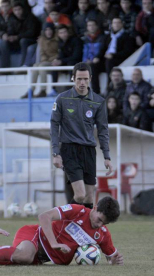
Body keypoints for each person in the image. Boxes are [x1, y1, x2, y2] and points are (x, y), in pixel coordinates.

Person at [50, 62, 113, 209]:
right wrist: (55, 152)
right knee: (80, 195)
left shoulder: (98, 101)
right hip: (69, 150)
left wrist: (107, 157)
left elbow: (103, 130)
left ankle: (83, 231)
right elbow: (54, 125)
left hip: (89, 151)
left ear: (90, 78)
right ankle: (62, 224)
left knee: (89, 198)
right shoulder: (62, 99)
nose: (82, 83)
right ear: (73, 78)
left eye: (85, 79)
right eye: (79, 79)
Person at [3, 2, 42, 67]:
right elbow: (10, 30)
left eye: (19, 9)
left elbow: (31, 33)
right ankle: (4, 67)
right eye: (15, 10)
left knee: (23, 41)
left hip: (32, 39)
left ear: (23, 9)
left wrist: (17, 37)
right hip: (18, 39)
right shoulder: (12, 18)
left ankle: (23, 64)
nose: (17, 12)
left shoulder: (30, 18)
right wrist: (7, 35)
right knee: (2, 42)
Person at [29, 22, 59, 98]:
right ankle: (31, 90)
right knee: (35, 66)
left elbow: (59, 53)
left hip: (54, 61)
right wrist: (44, 59)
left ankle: (43, 90)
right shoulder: (41, 40)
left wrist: (49, 60)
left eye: (50, 30)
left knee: (42, 66)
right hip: (45, 61)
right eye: (46, 30)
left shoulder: (58, 39)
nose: (48, 32)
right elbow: (41, 52)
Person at [82, 20, 106, 94]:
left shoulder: (103, 37)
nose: (91, 27)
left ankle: (96, 92)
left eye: (93, 25)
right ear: (87, 27)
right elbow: (84, 52)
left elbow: (103, 50)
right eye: (89, 25)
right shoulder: (85, 39)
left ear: (96, 26)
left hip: (100, 62)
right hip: (89, 61)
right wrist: (86, 60)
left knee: (92, 67)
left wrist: (95, 58)